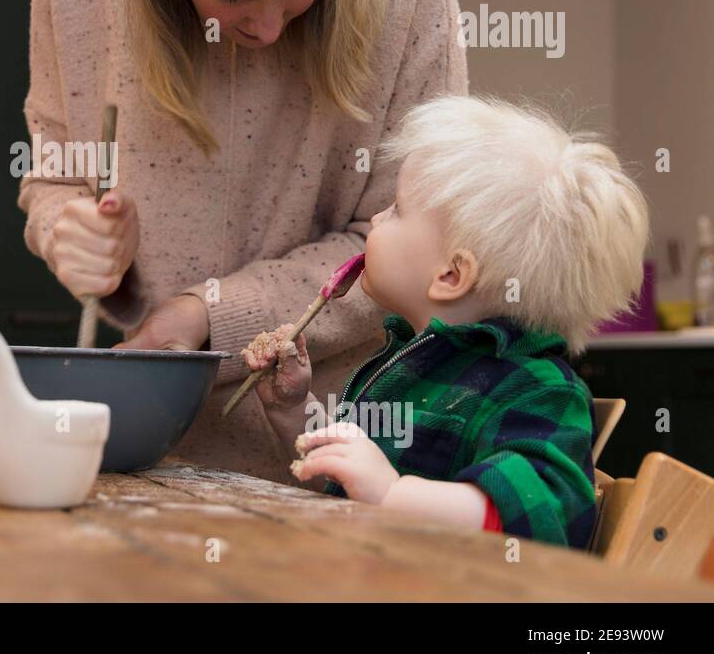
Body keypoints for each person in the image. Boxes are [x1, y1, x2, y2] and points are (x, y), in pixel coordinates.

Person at [18, 0, 466, 480]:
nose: (267, 27)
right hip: (139, 449)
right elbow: (55, 168)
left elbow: (418, 247)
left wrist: (205, 314)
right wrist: (66, 228)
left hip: (341, 454)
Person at [246, 95, 648, 548]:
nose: (375, 219)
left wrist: (393, 494)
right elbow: (347, 487)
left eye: (396, 209)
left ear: (452, 275)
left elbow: (537, 519)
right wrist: (292, 408)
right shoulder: (410, 362)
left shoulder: (539, 391)